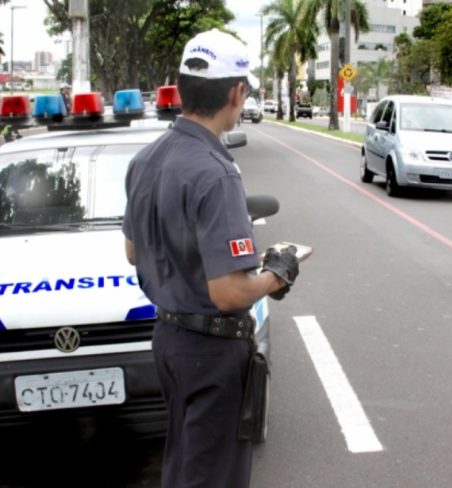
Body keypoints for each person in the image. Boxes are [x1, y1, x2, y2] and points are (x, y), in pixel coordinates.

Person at [122, 29, 300, 488]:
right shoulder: (216, 173)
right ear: (236, 93)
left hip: (169, 341)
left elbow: (132, 250)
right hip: (211, 351)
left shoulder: (146, 159)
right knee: (213, 475)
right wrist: (278, 272)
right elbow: (229, 292)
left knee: (185, 463)